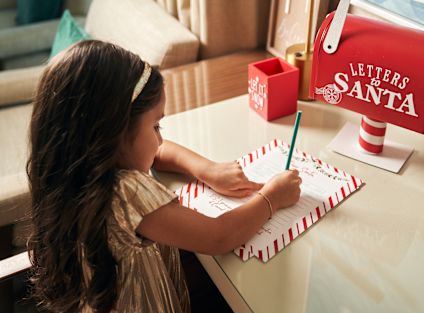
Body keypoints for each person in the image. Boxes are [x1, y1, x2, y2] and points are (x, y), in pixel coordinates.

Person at [27, 40, 301, 313]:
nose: (161, 139)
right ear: (113, 133)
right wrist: (272, 197)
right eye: (156, 125)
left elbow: (156, 151)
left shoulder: (77, 168)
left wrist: (207, 170)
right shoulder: (125, 192)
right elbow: (219, 236)